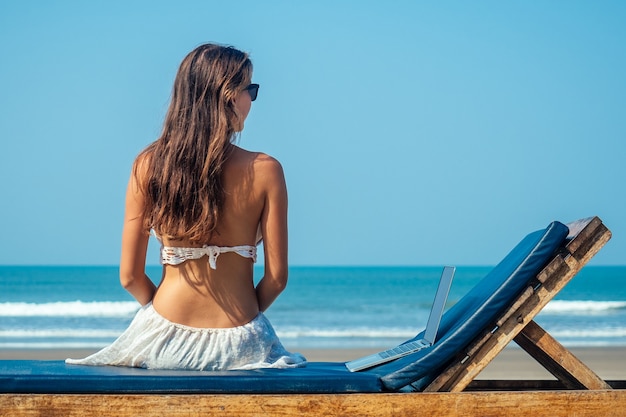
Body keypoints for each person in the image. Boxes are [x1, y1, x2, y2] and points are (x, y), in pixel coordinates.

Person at [66, 43, 306, 370]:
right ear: (228, 95)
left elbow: (129, 277)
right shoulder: (265, 170)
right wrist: (247, 318)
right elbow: (277, 278)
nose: (251, 99)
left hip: (162, 336)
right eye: (249, 89)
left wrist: (163, 318)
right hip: (240, 341)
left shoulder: (148, 165)